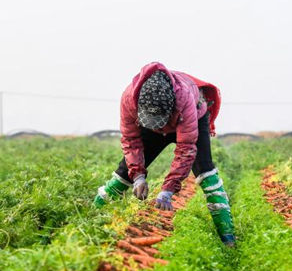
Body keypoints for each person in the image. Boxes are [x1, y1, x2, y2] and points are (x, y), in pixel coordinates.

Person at [93, 62, 236, 247]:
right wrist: (137, 175)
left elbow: (186, 149)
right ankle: (92, 219)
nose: (159, 127)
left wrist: (168, 189)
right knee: (123, 174)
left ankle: (229, 241)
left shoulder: (184, 99)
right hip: (156, 118)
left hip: (191, 118)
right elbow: (130, 140)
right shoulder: (129, 98)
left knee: (206, 173)